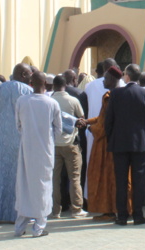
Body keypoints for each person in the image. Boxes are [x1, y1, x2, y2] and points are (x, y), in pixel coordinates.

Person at [14, 71, 62, 238]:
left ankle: (19, 227)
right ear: (45, 84)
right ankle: (38, 228)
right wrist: (46, 139)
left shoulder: (22, 101)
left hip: (26, 149)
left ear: (31, 83)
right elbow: (58, 129)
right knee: (43, 185)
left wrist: (29, 136)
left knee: (24, 185)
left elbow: (18, 125)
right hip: (45, 151)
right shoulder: (51, 103)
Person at [105, 64, 145, 226]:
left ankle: (122, 216)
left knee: (121, 181)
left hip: (119, 143)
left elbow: (109, 120)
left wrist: (110, 139)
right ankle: (138, 215)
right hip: (141, 143)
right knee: (139, 181)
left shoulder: (116, 94)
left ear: (126, 76)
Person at [0, 63, 33, 223]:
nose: (31, 77)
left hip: (1, 142)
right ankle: (18, 215)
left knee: (0, 178)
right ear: (22, 74)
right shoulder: (27, 91)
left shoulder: (0, 89)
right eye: (29, 74)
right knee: (19, 177)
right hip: (21, 141)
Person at [84, 66, 127, 221]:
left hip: (105, 144)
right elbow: (102, 117)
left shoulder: (110, 97)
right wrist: (88, 120)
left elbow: (103, 126)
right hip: (115, 142)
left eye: (106, 78)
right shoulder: (117, 95)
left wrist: (90, 127)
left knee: (106, 177)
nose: (104, 81)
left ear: (114, 80)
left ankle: (109, 210)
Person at [50, 75, 87, 219]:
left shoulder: (50, 101)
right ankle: (76, 208)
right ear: (65, 85)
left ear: (53, 86)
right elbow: (82, 118)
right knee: (75, 177)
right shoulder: (73, 100)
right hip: (71, 143)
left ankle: (55, 210)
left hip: (54, 144)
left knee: (55, 178)